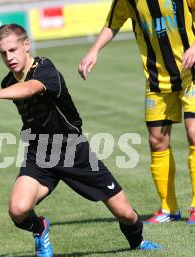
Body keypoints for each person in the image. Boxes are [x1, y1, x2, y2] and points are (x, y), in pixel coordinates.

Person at [0, 24, 161, 257]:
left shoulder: (45, 69)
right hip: (39, 153)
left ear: (26, 45)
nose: (9, 57)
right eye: (3, 53)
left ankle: (138, 241)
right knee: (18, 209)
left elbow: (31, 88)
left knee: (126, 213)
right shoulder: (9, 80)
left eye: (13, 50)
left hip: (73, 151)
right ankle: (40, 227)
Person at [78, 0, 195, 225]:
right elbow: (113, 23)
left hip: (192, 73)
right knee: (157, 141)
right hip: (157, 78)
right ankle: (168, 208)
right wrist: (93, 51)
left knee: (194, 134)